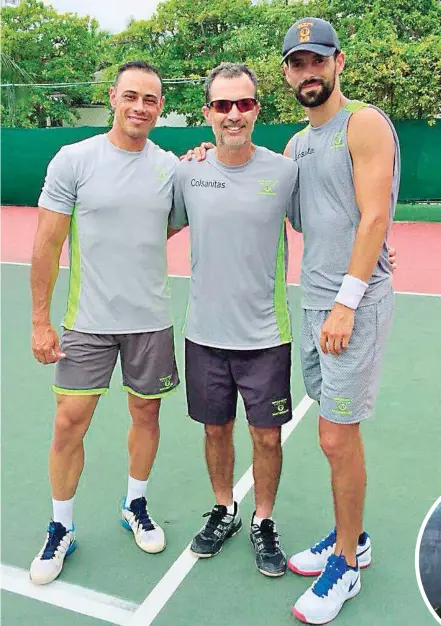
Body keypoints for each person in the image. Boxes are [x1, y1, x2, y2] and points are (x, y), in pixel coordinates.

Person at [29, 61, 179, 585]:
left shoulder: (171, 168)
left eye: (151, 99)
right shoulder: (74, 160)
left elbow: (187, 215)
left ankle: (135, 504)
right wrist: (40, 322)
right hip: (86, 323)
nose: (140, 106)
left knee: (146, 417)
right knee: (69, 423)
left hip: (150, 323)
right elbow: (47, 243)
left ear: (160, 107)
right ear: (113, 97)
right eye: (131, 96)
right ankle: (60, 526)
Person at [280, 17, 400, 624]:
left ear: (338, 64)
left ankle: (347, 565)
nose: (309, 72)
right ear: (287, 74)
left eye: (317, 61)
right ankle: (353, 535)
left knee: (333, 435)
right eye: (297, 64)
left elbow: (373, 217)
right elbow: (296, 216)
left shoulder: (364, 123)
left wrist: (347, 302)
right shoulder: (298, 144)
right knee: (337, 439)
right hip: (312, 305)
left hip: (352, 306)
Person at [170, 62, 302, 577]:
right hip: (204, 334)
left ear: (256, 110)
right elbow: (154, 229)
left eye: (243, 103)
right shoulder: (189, 172)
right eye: (222, 105)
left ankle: (263, 520)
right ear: (207, 113)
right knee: (215, 430)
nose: (233, 114)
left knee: (267, 437)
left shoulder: (285, 172)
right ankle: (224, 510)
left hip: (267, 337)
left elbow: (327, 222)